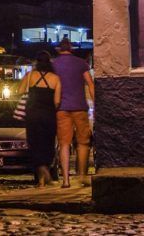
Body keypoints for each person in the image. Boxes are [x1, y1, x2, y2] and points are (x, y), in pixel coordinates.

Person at [53, 38, 95, 188]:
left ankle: (65, 180)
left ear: (59, 49)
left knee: (64, 144)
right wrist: (96, 103)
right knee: (83, 142)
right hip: (79, 107)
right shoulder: (81, 63)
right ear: (71, 48)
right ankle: (82, 175)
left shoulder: (54, 64)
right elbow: (90, 84)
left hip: (61, 109)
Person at [20, 51, 62, 187]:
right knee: (48, 144)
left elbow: (19, 91)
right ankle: (45, 172)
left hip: (32, 115)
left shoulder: (30, 75)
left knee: (34, 144)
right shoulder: (56, 79)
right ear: (49, 62)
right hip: (49, 116)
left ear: (37, 62)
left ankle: (41, 178)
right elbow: (57, 101)